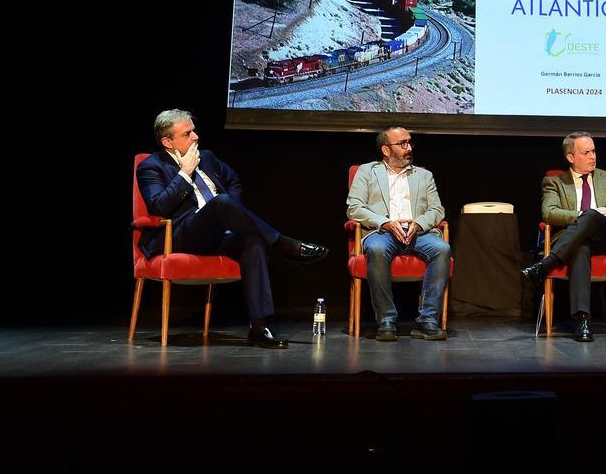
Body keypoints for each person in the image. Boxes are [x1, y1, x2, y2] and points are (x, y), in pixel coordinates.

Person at [136, 109, 328, 349]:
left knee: (252, 241)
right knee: (222, 202)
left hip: (215, 233)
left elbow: (233, 180)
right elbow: (159, 206)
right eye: (187, 133)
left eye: (194, 130)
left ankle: (259, 328)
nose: (195, 136)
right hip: (179, 235)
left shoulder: (206, 157)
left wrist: (227, 215)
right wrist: (184, 173)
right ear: (168, 141)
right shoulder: (151, 167)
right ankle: (284, 244)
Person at [521, 132, 606, 341]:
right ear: (570, 157)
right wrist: (584, 216)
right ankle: (582, 320)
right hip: (574, 242)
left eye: (594, 151)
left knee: (592, 219)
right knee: (581, 247)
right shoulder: (555, 182)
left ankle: (546, 264)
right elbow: (549, 213)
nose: (592, 156)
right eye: (586, 152)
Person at [346, 126, 451, 341]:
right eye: (402, 144)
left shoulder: (424, 175)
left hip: (418, 233)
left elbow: (437, 209)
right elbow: (354, 207)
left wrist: (420, 224)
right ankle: (386, 320)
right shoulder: (367, 172)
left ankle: (427, 320)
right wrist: (385, 223)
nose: (408, 147)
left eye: (409, 142)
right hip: (382, 232)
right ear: (386, 150)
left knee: (442, 249)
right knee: (376, 248)